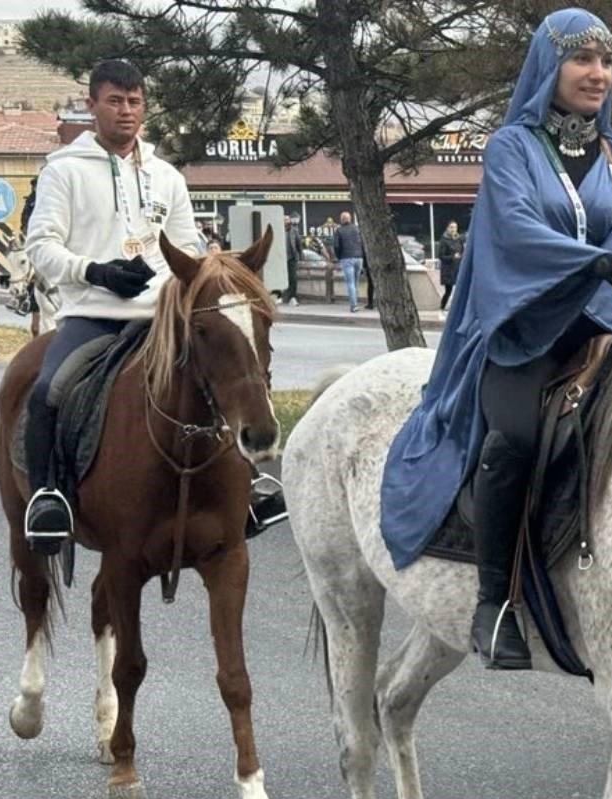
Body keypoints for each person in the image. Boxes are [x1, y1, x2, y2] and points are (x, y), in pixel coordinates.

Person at [379, 8, 612, 669]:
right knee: (515, 441)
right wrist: (593, 264)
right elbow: (516, 235)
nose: (598, 74)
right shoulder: (512, 147)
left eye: (606, 62)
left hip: (606, 327)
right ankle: (494, 602)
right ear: (549, 67)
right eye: (581, 60)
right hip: (522, 328)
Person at [22, 59, 285, 552]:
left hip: (163, 317)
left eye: (135, 102)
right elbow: (41, 246)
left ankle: (246, 487)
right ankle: (49, 495)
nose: (126, 111)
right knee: (48, 391)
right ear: (92, 105)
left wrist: (216, 272)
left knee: (228, 371)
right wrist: (93, 271)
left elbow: (187, 248)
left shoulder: (167, 176)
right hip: (92, 313)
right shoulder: (63, 172)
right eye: (115, 101)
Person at [332, 211, 364, 312]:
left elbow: (336, 246)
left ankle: (353, 305)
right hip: (359, 257)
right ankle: (356, 303)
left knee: (350, 283)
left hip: (346, 258)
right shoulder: (357, 229)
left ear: (341, 220)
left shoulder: (339, 230)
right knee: (356, 282)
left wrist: (339, 257)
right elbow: (362, 242)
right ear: (350, 219)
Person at [437, 220, 464, 309]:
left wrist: (462, 256)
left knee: (460, 289)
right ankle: (442, 306)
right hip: (448, 269)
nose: (453, 229)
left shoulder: (459, 239)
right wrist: (453, 256)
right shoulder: (444, 240)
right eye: (451, 227)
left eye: (455, 227)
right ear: (447, 228)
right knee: (449, 290)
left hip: (458, 267)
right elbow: (441, 256)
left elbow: (462, 251)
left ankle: (457, 307)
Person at [282, 213, 301, 306]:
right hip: (280, 258)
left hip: (291, 258)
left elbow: (298, 244)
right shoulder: (278, 231)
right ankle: (280, 297)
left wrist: (300, 256)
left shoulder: (294, 231)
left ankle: (292, 297)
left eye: (288, 219)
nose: (287, 221)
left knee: (292, 278)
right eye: (285, 220)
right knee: (281, 279)